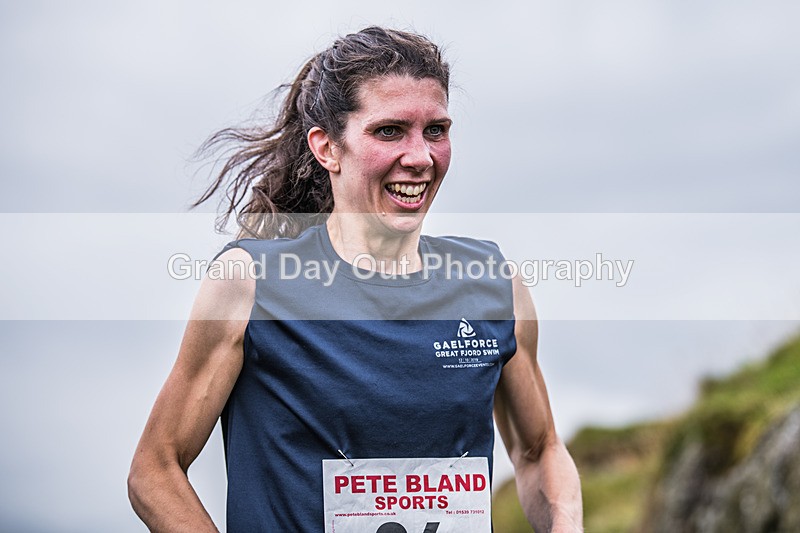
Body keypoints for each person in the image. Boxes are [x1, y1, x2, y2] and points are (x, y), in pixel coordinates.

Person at [128, 26, 582, 532]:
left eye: (436, 130)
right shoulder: (251, 282)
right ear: (326, 148)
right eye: (389, 131)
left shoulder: (493, 286)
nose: (420, 157)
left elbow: (538, 449)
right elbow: (155, 470)